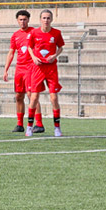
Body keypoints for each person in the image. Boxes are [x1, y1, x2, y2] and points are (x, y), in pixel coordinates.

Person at [2, 9, 42, 133]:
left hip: (31, 68)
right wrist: (6, 69)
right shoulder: (15, 35)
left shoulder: (34, 32)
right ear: (17, 21)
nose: (23, 22)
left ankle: (39, 123)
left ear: (28, 20)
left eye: (25, 19)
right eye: (20, 20)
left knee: (32, 95)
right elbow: (11, 52)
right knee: (19, 96)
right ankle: (19, 124)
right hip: (19, 68)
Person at [27, 9, 64, 137]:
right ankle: (29, 127)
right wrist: (33, 57)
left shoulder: (56, 33)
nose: (46, 20)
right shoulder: (34, 33)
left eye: (48, 18)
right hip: (38, 68)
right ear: (40, 19)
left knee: (54, 98)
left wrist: (54, 55)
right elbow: (29, 47)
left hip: (51, 68)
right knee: (34, 97)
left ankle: (57, 128)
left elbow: (61, 47)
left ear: (51, 19)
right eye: (44, 18)